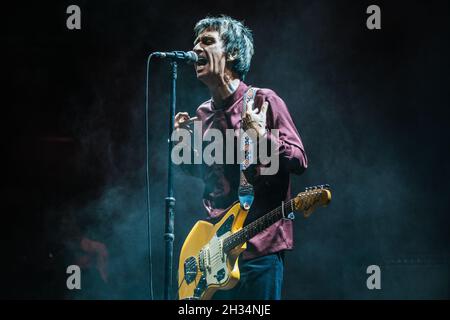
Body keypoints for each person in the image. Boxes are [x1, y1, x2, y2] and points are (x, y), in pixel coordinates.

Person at [175, 15, 307, 300]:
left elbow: (299, 160)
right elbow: (205, 175)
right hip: (214, 253)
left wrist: (262, 138)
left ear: (232, 53)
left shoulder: (264, 101)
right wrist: (182, 146)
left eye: (207, 41)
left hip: (259, 249)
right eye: (195, 42)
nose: (196, 48)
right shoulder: (201, 114)